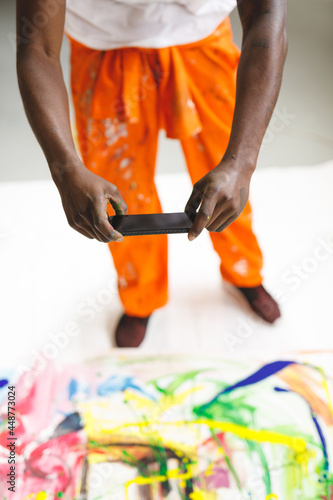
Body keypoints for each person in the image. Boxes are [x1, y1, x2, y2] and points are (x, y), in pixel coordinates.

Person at [16, 0, 287, 347]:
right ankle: (141, 297)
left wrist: (242, 163)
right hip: (104, 45)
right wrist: (66, 168)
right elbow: (37, 46)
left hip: (203, 38)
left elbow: (267, 17)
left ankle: (245, 272)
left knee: (228, 183)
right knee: (119, 196)